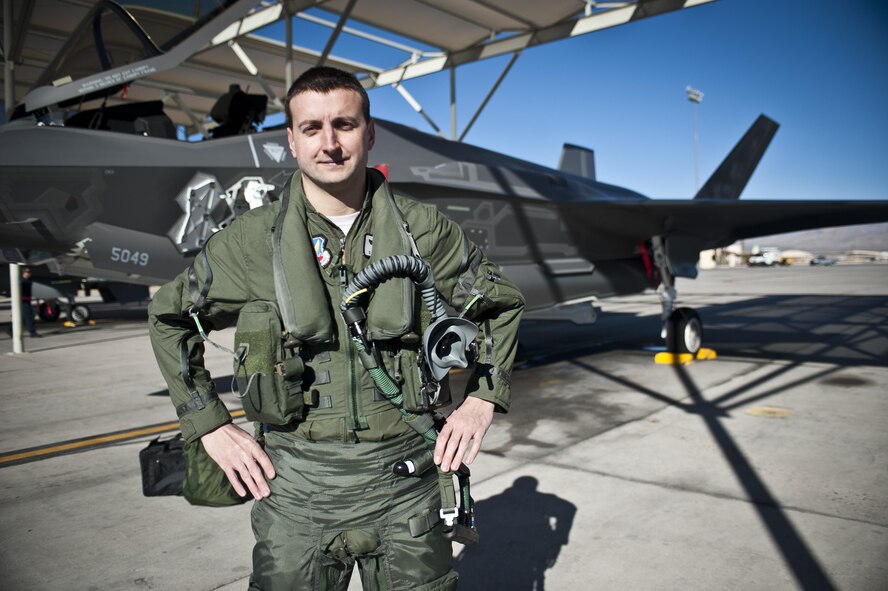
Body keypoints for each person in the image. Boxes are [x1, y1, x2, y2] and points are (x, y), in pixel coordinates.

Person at [148, 66, 524, 590]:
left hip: (406, 485)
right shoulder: (250, 242)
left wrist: (483, 399)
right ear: (292, 141)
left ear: (368, 134)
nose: (329, 143)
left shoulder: (424, 231)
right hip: (297, 492)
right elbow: (169, 319)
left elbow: (501, 303)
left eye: (344, 125)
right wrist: (209, 424)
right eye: (311, 128)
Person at [19, 267, 41, 337]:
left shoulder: (29, 280)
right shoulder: (21, 281)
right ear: (23, 273)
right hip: (22, 301)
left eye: (29, 272)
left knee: (22, 318)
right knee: (29, 317)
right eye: (27, 272)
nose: (28, 274)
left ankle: (10, 330)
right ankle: (33, 333)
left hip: (27, 300)